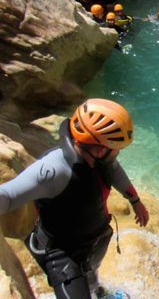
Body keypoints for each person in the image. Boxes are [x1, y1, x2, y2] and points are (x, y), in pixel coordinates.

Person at [0, 98, 149, 298]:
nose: (118, 153)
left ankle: (98, 293)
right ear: (100, 149)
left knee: (92, 274)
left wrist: (135, 201)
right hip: (63, 256)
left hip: (92, 239)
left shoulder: (98, 156)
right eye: (116, 149)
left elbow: (114, 170)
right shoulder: (55, 169)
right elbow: (8, 196)